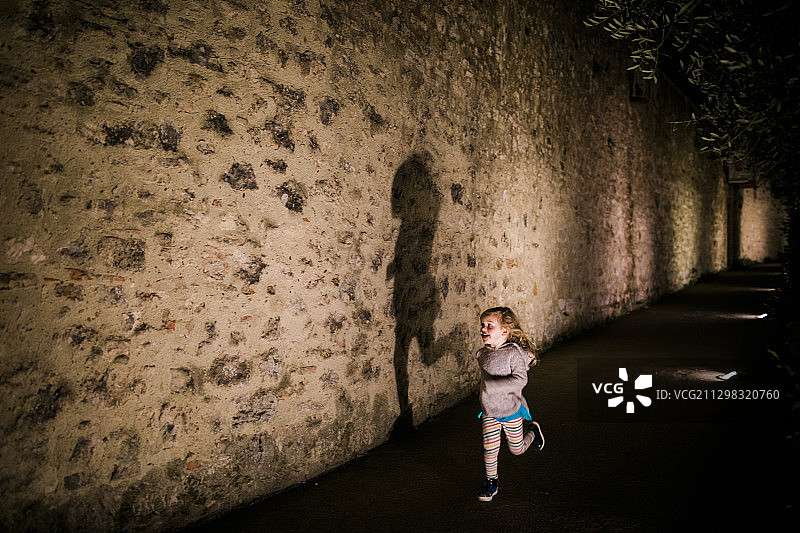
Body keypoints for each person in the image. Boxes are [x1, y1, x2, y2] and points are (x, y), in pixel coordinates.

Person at [475, 306, 544, 502]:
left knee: (517, 449)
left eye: (490, 325)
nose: (483, 329)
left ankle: (533, 431)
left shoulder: (513, 354)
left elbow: (520, 381)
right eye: (482, 325)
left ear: (505, 331)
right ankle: (491, 482)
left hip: (511, 410)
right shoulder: (482, 354)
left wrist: (493, 386)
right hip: (490, 411)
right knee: (490, 448)